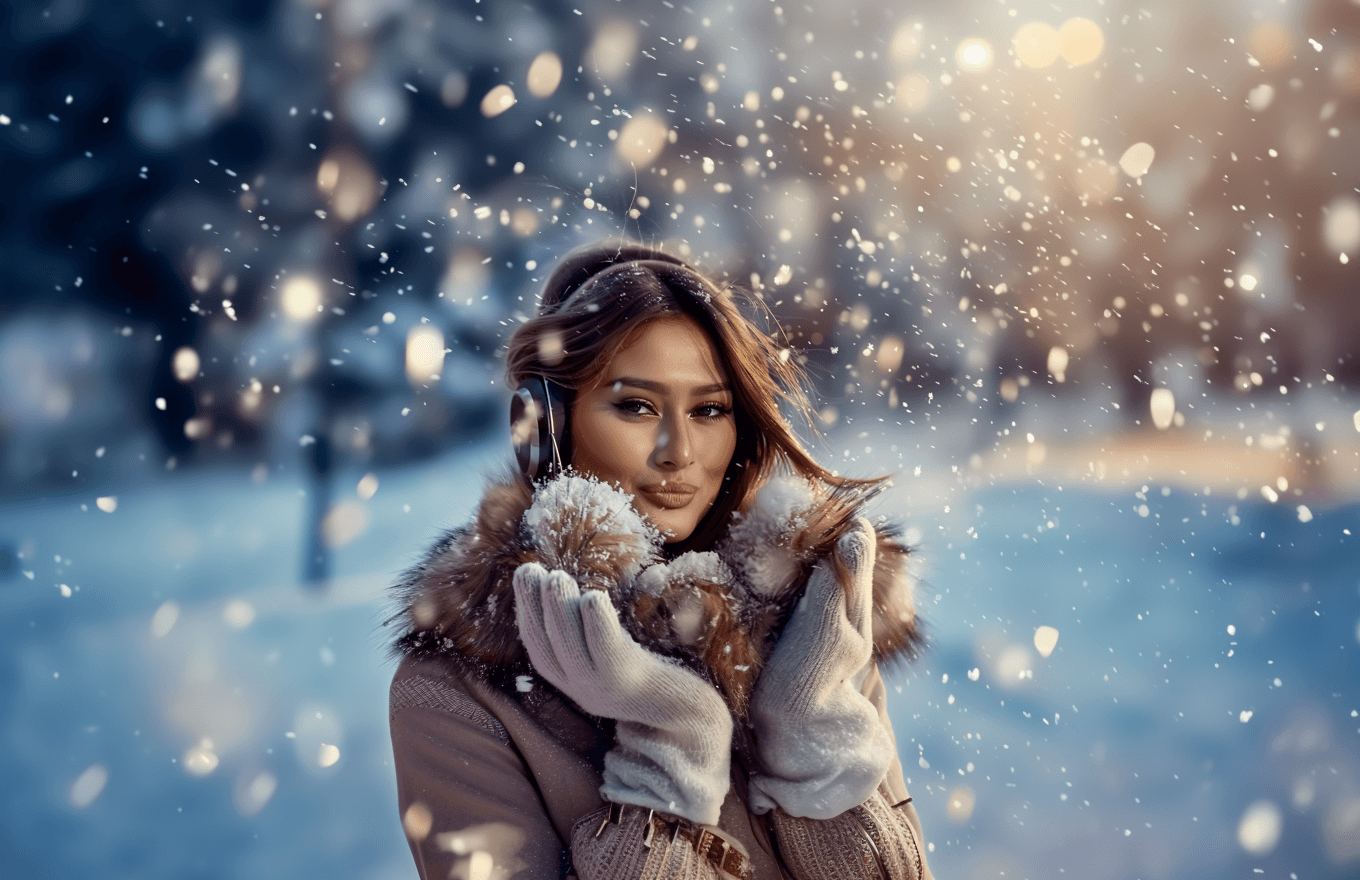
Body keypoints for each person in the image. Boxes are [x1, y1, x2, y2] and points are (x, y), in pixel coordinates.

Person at [387, 242, 935, 879]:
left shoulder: (814, 626)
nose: (680, 451)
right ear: (542, 426)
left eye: (709, 410)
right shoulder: (457, 692)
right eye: (637, 406)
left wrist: (814, 744)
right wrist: (670, 762)